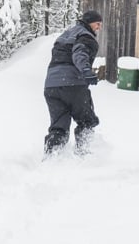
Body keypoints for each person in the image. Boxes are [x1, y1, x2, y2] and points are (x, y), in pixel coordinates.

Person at [43, 10, 102, 156]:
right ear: (89, 23)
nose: (99, 27)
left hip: (51, 86)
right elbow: (79, 53)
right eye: (97, 24)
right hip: (73, 85)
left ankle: (52, 157)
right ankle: (82, 155)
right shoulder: (85, 36)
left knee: (58, 126)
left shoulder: (65, 35)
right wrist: (87, 71)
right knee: (86, 121)